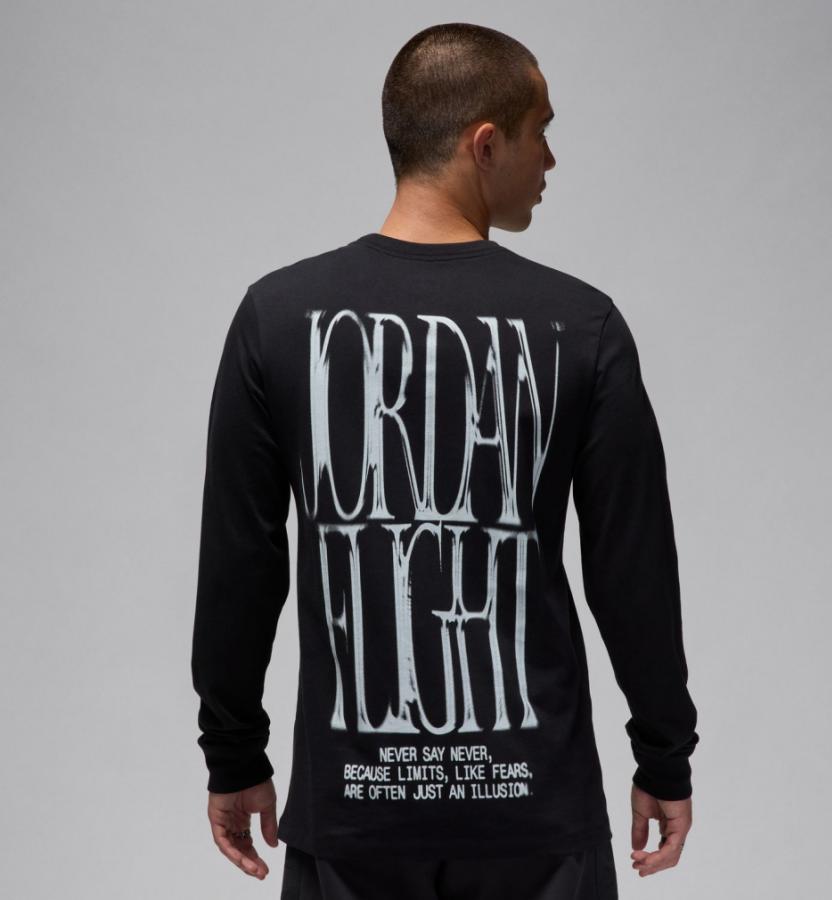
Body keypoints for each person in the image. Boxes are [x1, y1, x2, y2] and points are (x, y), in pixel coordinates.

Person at [190, 21, 699, 900]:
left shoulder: (278, 317)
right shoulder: (580, 326)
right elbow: (634, 570)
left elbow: (241, 562)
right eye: (541, 131)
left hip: (353, 818)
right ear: (486, 144)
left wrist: (233, 754)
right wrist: (665, 754)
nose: (551, 159)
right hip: (536, 821)